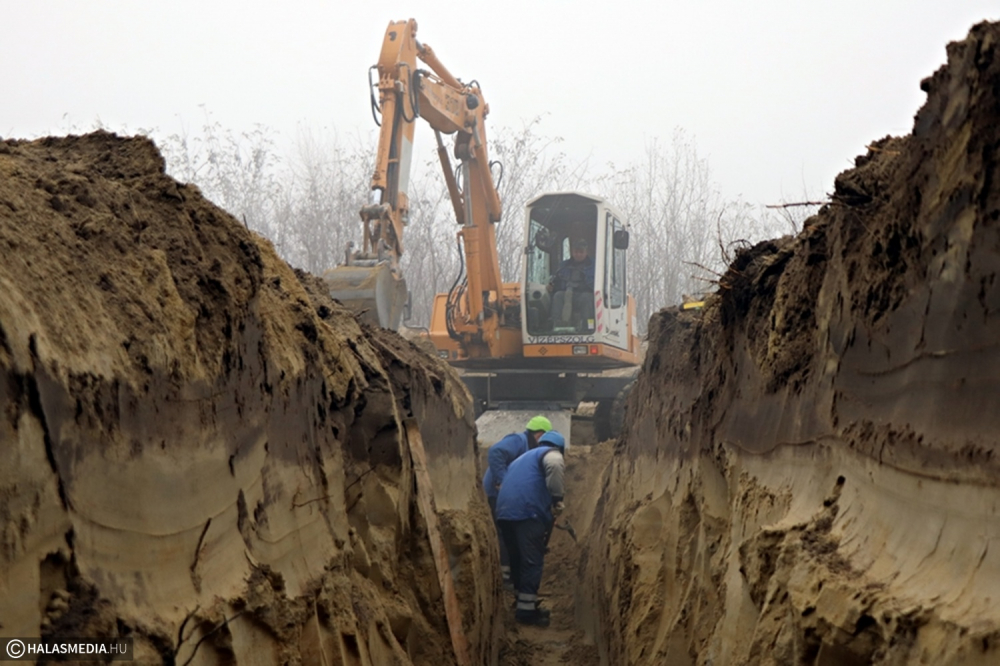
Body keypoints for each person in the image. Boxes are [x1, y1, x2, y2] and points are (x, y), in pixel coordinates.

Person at [495, 430, 567, 627]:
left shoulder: (522, 459)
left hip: (504, 514)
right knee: (532, 561)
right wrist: (557, 499)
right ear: (558, 447)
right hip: (528, 513)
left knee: (517, 558)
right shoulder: (551, 454)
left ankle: (521, 602)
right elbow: (554, 465)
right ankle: (527, 612)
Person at [482, 415, 553, 590]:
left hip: (508, 496)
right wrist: (504, 481)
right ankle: (505, 573)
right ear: (538, 434)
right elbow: (496, 452)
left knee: (509, 531)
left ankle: (510, 573)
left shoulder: (530, 449)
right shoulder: (518, 440)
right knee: (504, 530)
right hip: (497, 493)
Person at [548, 237, 595, 327]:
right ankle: (555, 324)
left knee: (587, 298)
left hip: (584, 294)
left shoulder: (594, 266)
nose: (578, 254)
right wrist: (552, 286)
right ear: (572, 252)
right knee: (558, 295)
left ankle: (588, 326)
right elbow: (557, 280)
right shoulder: (564, 266)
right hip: (567, 293)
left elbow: (596, 284)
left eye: (581, 252)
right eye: (576, 252)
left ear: (586, 252)